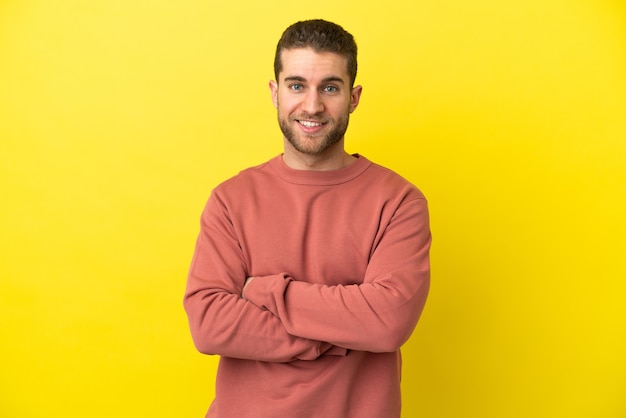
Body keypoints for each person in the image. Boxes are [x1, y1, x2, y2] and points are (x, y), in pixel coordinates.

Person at [183, 19, 431, 418]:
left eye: (329, 87)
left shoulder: (399, 202)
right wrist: (338, 337)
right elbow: (209, 322)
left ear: (353, 97)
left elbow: (388, 320)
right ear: (274, 92)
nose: (312, 105)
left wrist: (265, 293)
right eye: (297, 85)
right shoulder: (231, 200)